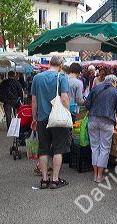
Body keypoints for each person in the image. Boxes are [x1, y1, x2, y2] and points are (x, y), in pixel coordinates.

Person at [31, 56, 70, 189]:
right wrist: (68, 112)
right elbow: (64, 98)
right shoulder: (62, 77)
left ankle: (44, 180)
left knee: (43, 150)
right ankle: (54, 180)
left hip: (42, 118)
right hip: (58, 119)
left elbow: (34, 101)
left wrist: (34, 118)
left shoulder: (37, 78)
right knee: (58, 149)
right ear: (60, 65)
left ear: (49, 63)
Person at [85, 75, 117, 183]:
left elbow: (87, 104)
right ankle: (99, 176)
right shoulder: (116, 92)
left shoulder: (95, 88)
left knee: (94, 147)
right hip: (107, 122)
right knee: (104, 148)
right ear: (114, 82)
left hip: (92, 120)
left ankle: (95, 174)